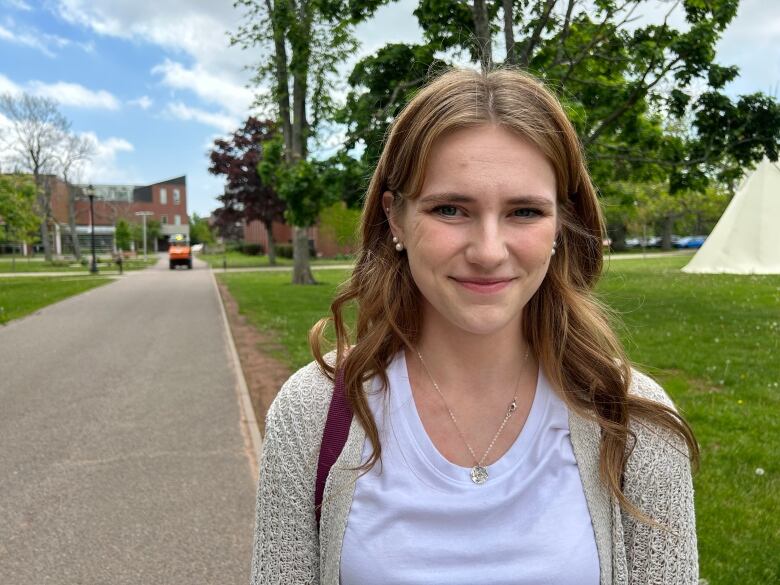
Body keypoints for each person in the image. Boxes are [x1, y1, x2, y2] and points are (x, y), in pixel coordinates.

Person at [249, 68, 699, 585]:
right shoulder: (312, 413)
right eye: (450, 209)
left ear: (561, 223)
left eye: (524, 212)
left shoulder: (635, 423)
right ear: (395, 218)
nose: (488, 251)